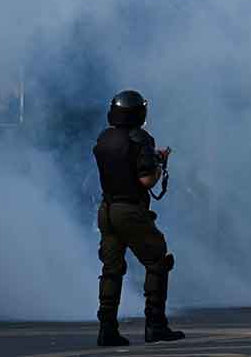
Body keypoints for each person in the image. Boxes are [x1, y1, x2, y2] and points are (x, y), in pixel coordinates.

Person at [93, 90, 185, 346]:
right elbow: (145, 179)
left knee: (111, 270)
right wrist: (158, 164)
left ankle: (107, 329)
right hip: (130, 211)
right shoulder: (140, 139)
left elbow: (122, 164)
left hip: (107, 210)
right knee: (158, 261)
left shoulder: (104, 138)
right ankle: (156, 325)